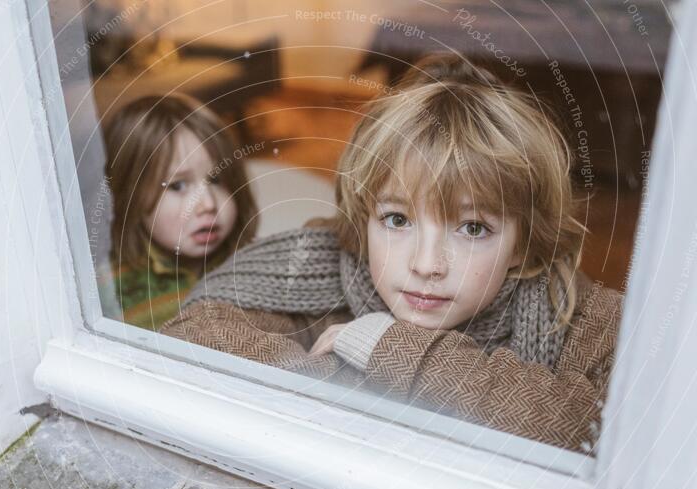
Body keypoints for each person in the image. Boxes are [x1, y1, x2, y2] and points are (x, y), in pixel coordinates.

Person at [160, 55, 623, 455]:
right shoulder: (323, 267)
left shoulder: (581, 319)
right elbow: (192, 334)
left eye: (473, 228)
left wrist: (393, 349)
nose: (426, 264)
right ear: (363, 218)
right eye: (397, 220)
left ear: (523, 245)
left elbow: (601, 432)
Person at [105, 94, 258, 330]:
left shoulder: (252, 265)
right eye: (178, 186)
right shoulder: (108, 293)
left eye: (216, 179)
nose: (208, 204)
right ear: (129, 196)